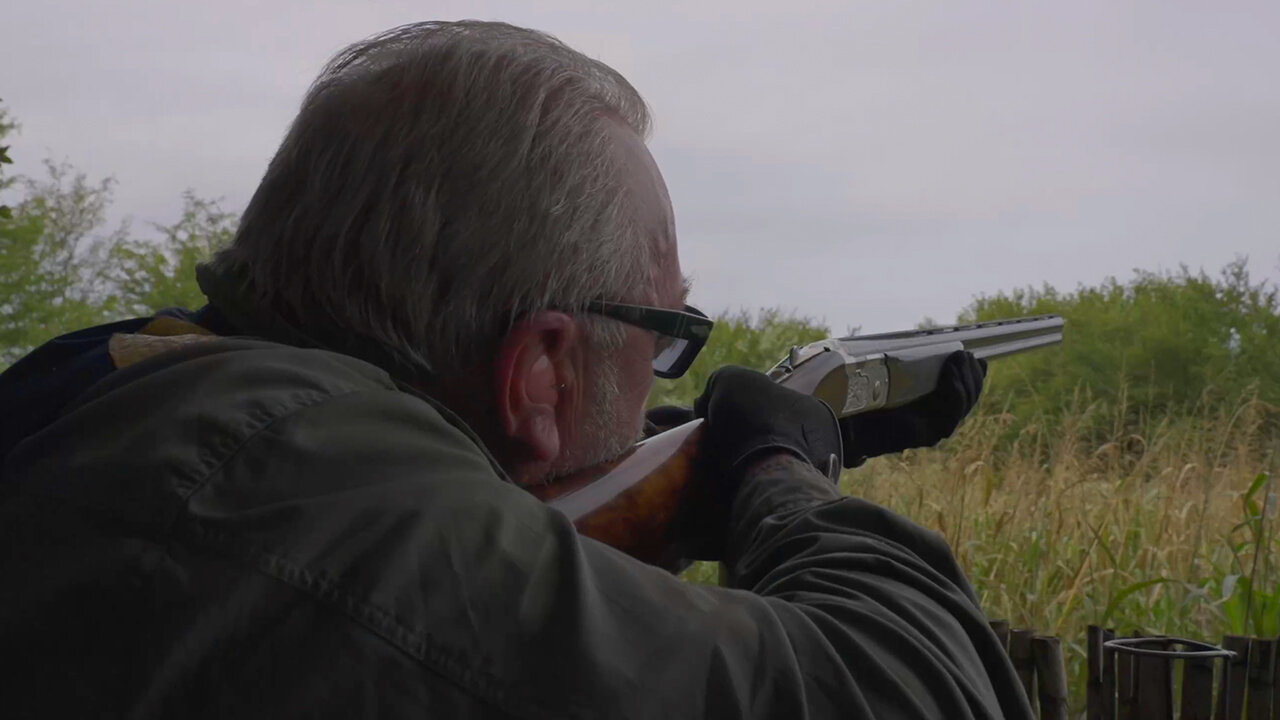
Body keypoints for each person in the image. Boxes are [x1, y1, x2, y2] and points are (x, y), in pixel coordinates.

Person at [0, 20, 1032, 719]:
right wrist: (782, 484)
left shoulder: (136, 382)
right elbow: (913, 687)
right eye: (662, 332)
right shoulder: (293, 482)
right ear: (540, 369)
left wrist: (704, 471)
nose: (654, 377)